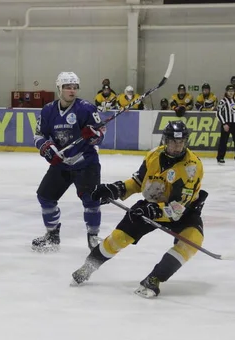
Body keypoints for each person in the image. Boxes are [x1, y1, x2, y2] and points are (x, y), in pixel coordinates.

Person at [70, 121, 207, 298]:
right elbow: (138, 182)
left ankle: (155, 279)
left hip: (183, 211)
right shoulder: (153, 156)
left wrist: (152, 211)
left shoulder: (192, 167)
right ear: (165, 140)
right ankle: (88, 267)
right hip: (151, 205)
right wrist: (115, 189)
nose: (177, 146)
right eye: (173, 141)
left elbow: (178, 208)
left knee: (192, 240)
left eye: (181, 142)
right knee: (118, 238)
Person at [32, 71, 106, 252]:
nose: (72, 91)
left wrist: (94, 135)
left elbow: (100, 134)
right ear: (59, 88)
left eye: (75, 87)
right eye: (67, 87)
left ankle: (93, 236)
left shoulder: (87, 108)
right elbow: (39, 135)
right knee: (45, 197)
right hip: (62, 164)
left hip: (86, 163)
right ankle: (52, 234)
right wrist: (48, 150)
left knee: (91, 201)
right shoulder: (48, 110)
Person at [216, 84, 235, 165]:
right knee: (223, 142)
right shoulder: (223, 101)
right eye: (229, 91)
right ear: (226, 92)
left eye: (232, 91)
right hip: (227, 124)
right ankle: (220, 157)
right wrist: (224, 123)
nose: (231, 93)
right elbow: (219, 113)